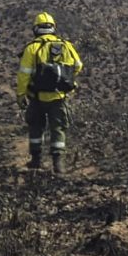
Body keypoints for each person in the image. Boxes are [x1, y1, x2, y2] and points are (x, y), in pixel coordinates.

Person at [16, 12, 83, 173]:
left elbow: (24, 74)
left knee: (36, 127)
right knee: (58, 128)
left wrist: (20, 94)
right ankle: (58, 163)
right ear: (53, 28)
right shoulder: (66, 45)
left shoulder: (32, 48)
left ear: (36, 28)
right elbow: (78, 65)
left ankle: (36, 160)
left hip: (37, 97)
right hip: (58, 97)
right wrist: (66, 80)